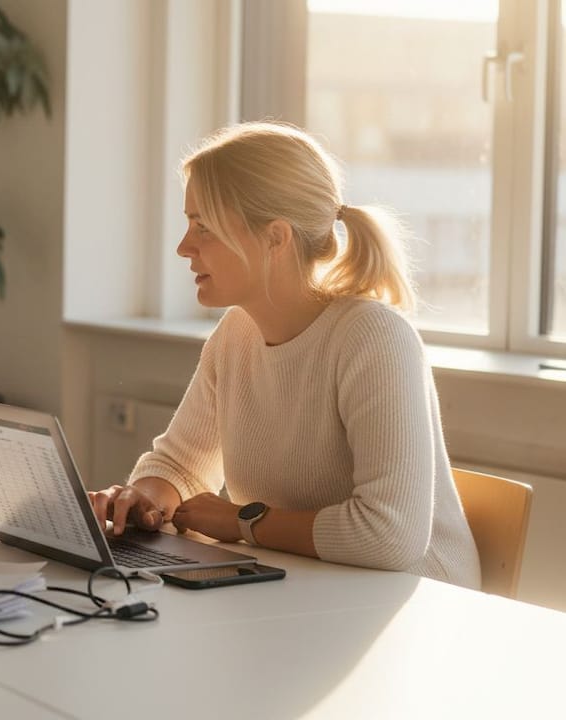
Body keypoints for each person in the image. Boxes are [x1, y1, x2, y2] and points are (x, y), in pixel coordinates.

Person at [90, 121, 480, 588]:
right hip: (306, 585)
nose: (183, 247)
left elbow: (390, 536)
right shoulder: (236, 334)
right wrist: (145, 499)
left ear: (276, 237)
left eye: (203, 227)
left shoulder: (373, 338)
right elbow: (180, 465)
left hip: (418, 598)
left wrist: (242, 522)